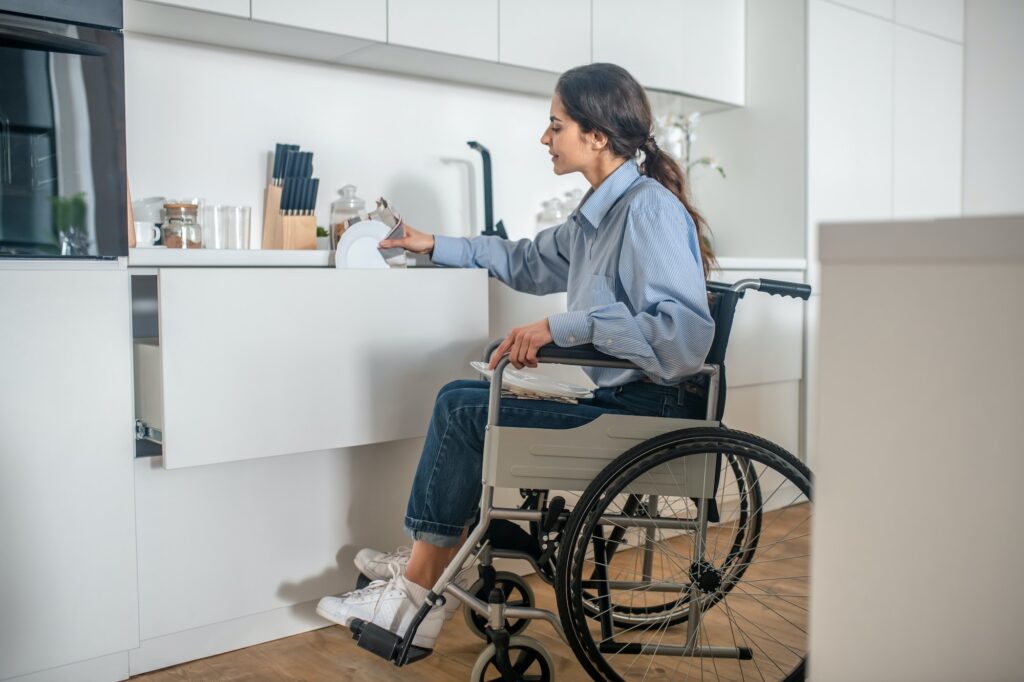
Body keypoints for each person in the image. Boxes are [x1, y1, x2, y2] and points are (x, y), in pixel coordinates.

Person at [315, 63, 716, 649]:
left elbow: (680, 337)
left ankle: (417, 595)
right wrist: (430, 243)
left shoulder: (647, 210)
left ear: (597, 136)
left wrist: (562, 324)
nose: (544, 138)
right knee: (460, 396)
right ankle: (427, 568)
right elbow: (525, 259)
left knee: (463, 412)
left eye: (555, 125)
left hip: (646, 412)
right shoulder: (598, 215)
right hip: (618, 397)